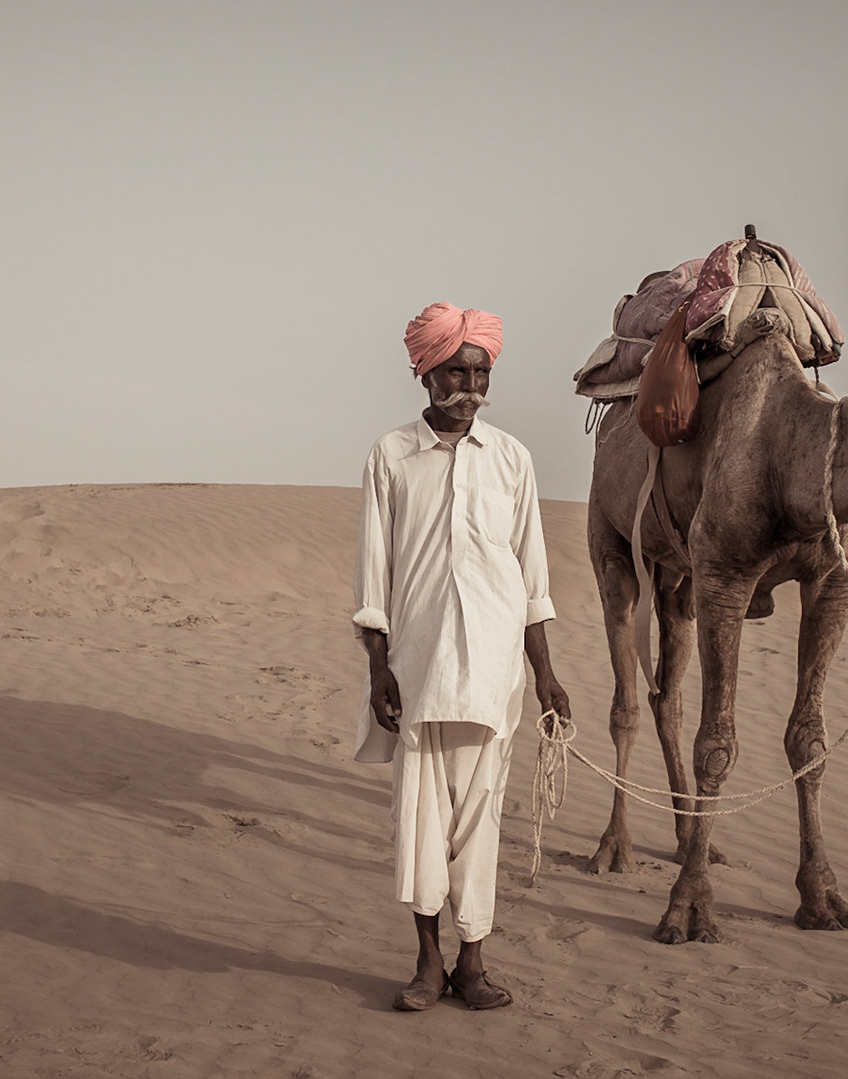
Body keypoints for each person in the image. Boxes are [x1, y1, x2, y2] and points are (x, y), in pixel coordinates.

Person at [352, 301, 572, 1012]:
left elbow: (531, 578)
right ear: (426, 372)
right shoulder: (390, 455)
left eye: (481, 371)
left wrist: (546, 675)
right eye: (457, 369)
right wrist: (377, 666)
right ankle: (426, 961)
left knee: (481, 821)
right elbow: (373, 577)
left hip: (494, 674)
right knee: (419, 820)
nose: (471, 384)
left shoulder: (512, 459)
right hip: (417, 671)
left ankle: (473, 961)